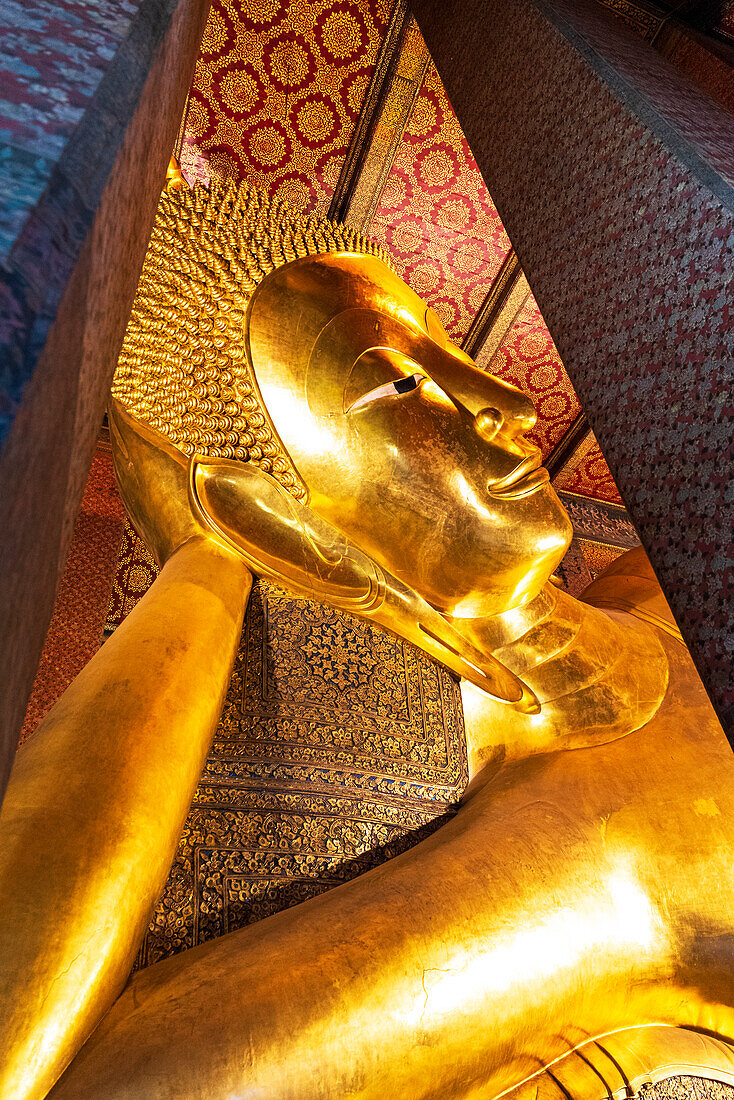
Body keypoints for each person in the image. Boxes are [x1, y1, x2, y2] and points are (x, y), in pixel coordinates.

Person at [1, 177, 732, 1100]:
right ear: (271, 520)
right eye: (398, 381)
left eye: (451, 352)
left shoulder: (662, 591)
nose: (506, 399)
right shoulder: (562, 872)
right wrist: (204, 563)